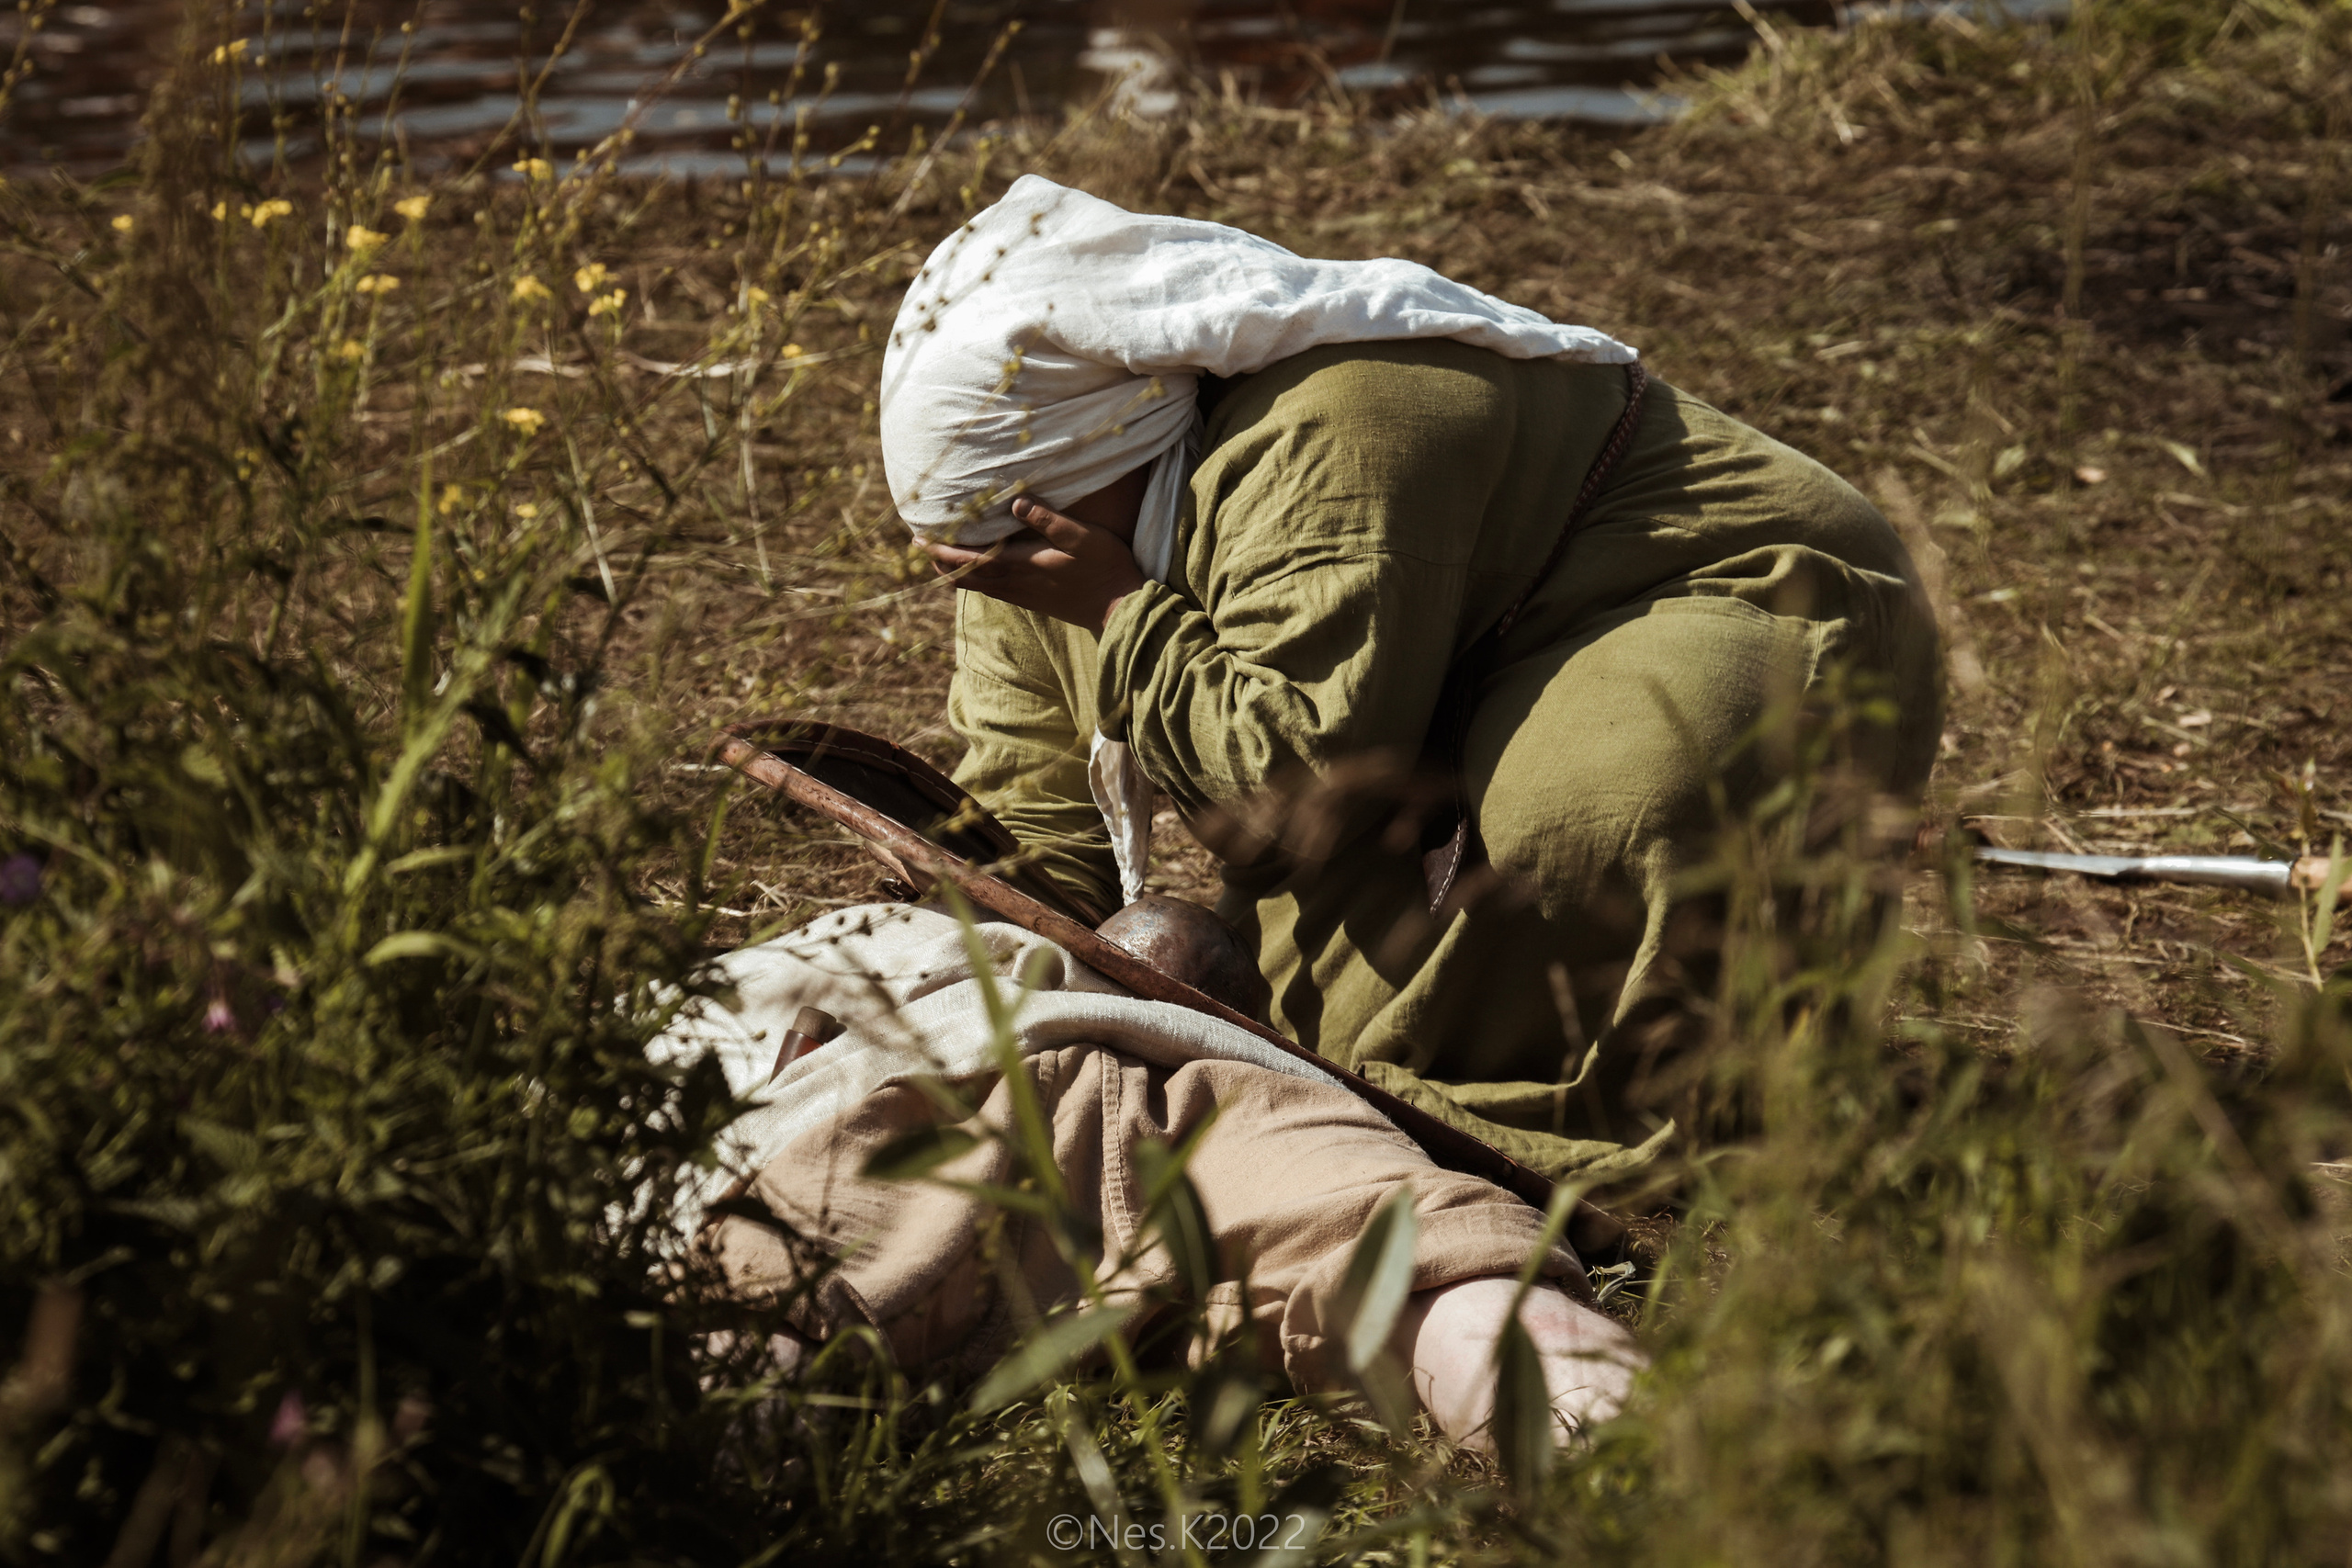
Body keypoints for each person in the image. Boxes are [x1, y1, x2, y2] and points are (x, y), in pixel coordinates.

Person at [884, 175, 1942, 1181]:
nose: (1001, 576)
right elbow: (1034, 793)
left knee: (1594, 810)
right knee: (1322, 1035)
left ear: (1111, 443)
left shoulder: (1331, 427)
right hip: (1423, 686)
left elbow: (1293, 794)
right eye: (969, 552)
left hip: (1717, 599)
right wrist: (990, 935)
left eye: (1007, 536)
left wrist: (1120, 614)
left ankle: (1691, 1092)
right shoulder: (1045, 535)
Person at [662, 904, 1642, 1449]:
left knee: (1458, 1273)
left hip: (1173, 1094)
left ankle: (1662, 1496)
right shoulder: (866, 948)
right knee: (762, 1350)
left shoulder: (1264, 1077)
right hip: (927, 1084)